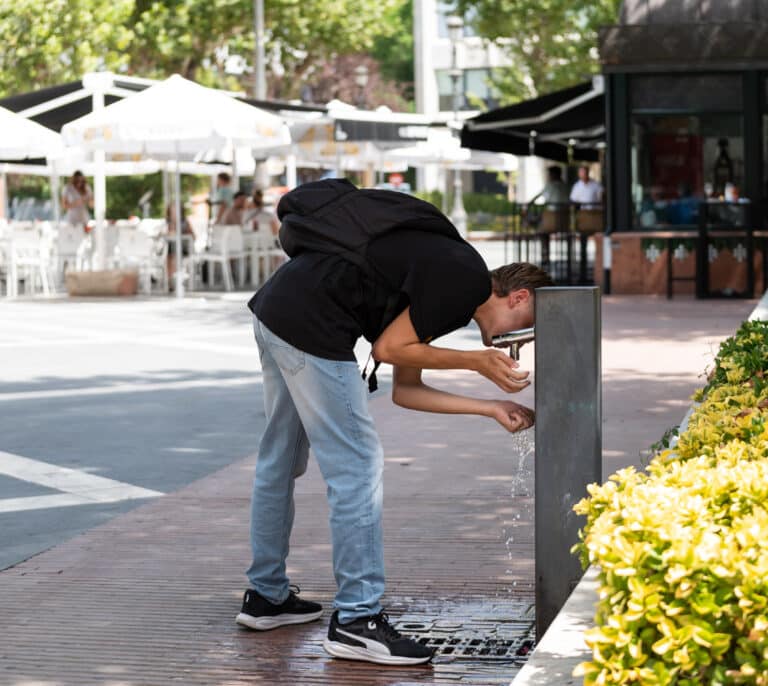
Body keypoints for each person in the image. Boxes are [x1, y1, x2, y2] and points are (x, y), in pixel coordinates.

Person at [236, 181, 554, 666]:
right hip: (312, 324)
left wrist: (489, 407)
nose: (521, 340)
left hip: (278, 309)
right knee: (358, 468)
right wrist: (476, 362)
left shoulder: (449, 287)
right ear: (519, 297)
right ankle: (358, 621)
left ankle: (266, 597)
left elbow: (407, 389)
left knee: (281, 458)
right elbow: (388, 350)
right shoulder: (464, 276)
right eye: (531, 323)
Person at [165, 203, 194, 285]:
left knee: (173, 254)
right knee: (170, 254)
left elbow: (193, 236)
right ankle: (170, 279)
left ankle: (174, 279)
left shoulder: (185, 222)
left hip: (184, 247)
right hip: (171, 248)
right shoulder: (168, 222)